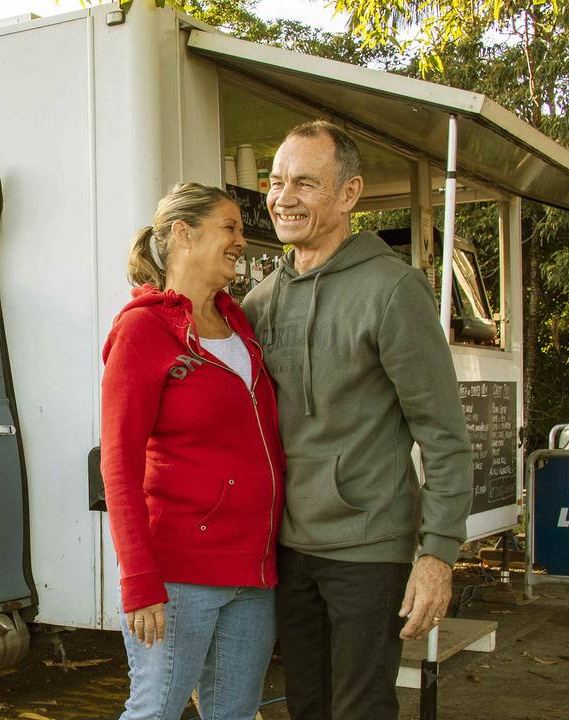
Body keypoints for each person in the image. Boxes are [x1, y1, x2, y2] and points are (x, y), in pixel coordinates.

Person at [242, 121, 473, 720]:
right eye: (276, 181)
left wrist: (437, 554)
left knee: (360, 709)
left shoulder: (394, 291)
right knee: (307, 706)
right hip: (287, 547)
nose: (284, 198)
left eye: (305, 184)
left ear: (348, 195)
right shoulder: (260, 302)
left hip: (369, 545)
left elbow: (444, 437)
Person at [101, 182, 285, 720]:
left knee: (234, 714)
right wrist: (139, 579)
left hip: (253, 571)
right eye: (229, 227)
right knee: (155, 711)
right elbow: (119, 464)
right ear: (184, 233)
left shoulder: (239, 322)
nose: (240, 242)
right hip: (178, 574)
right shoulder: (143, 330)